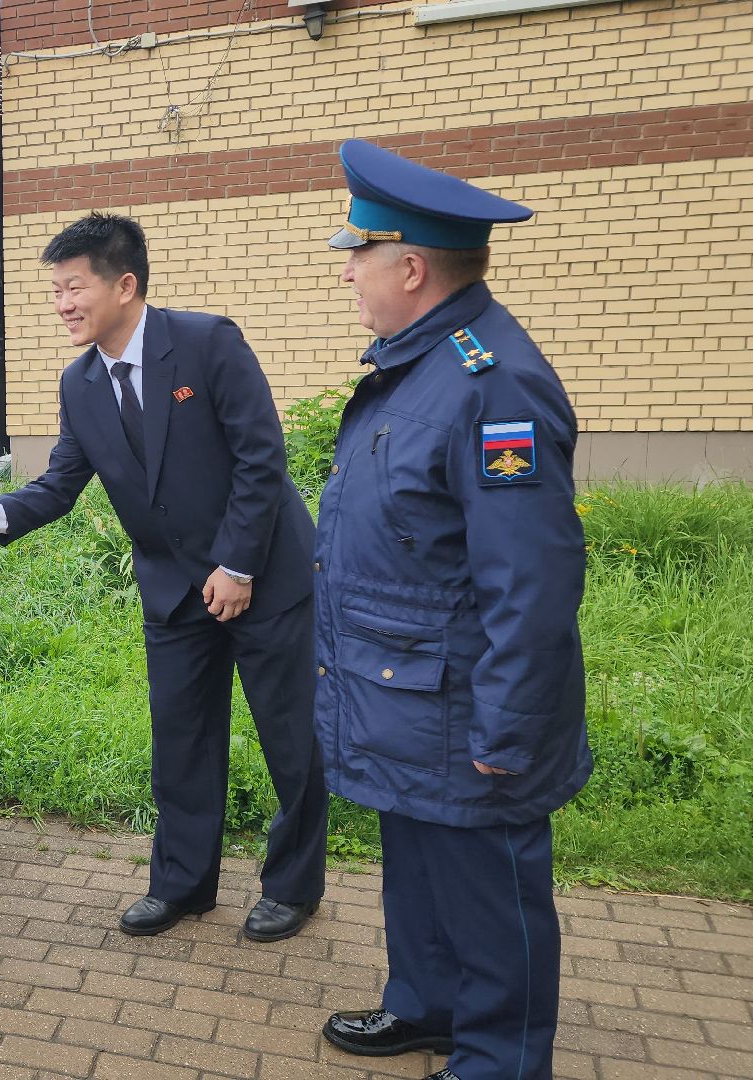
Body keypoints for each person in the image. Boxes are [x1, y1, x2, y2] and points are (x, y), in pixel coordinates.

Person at [313, 140, 590, 1080]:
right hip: (407, 697)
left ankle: (501, 1059)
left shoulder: (491, 384)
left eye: (359, 253)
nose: (348, 271)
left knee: (487, 890)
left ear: (412, 266)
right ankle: (425, 1006)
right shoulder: (420, 362)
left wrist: (508, 725)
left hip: (465, 707)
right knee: (420, 869)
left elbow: (533, 578)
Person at [0, 213, 328, 943]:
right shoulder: (80, 383)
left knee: (290, 740)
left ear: (126, 284)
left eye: (73, 287)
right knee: (182, 741)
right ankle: (182, 885)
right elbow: (60, 484)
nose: (63, 304)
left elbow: (261, 458)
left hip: (263, 574)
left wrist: (236, 563)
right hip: (172, 591)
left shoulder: (208, 343)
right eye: (55, 291)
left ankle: (294, 886)